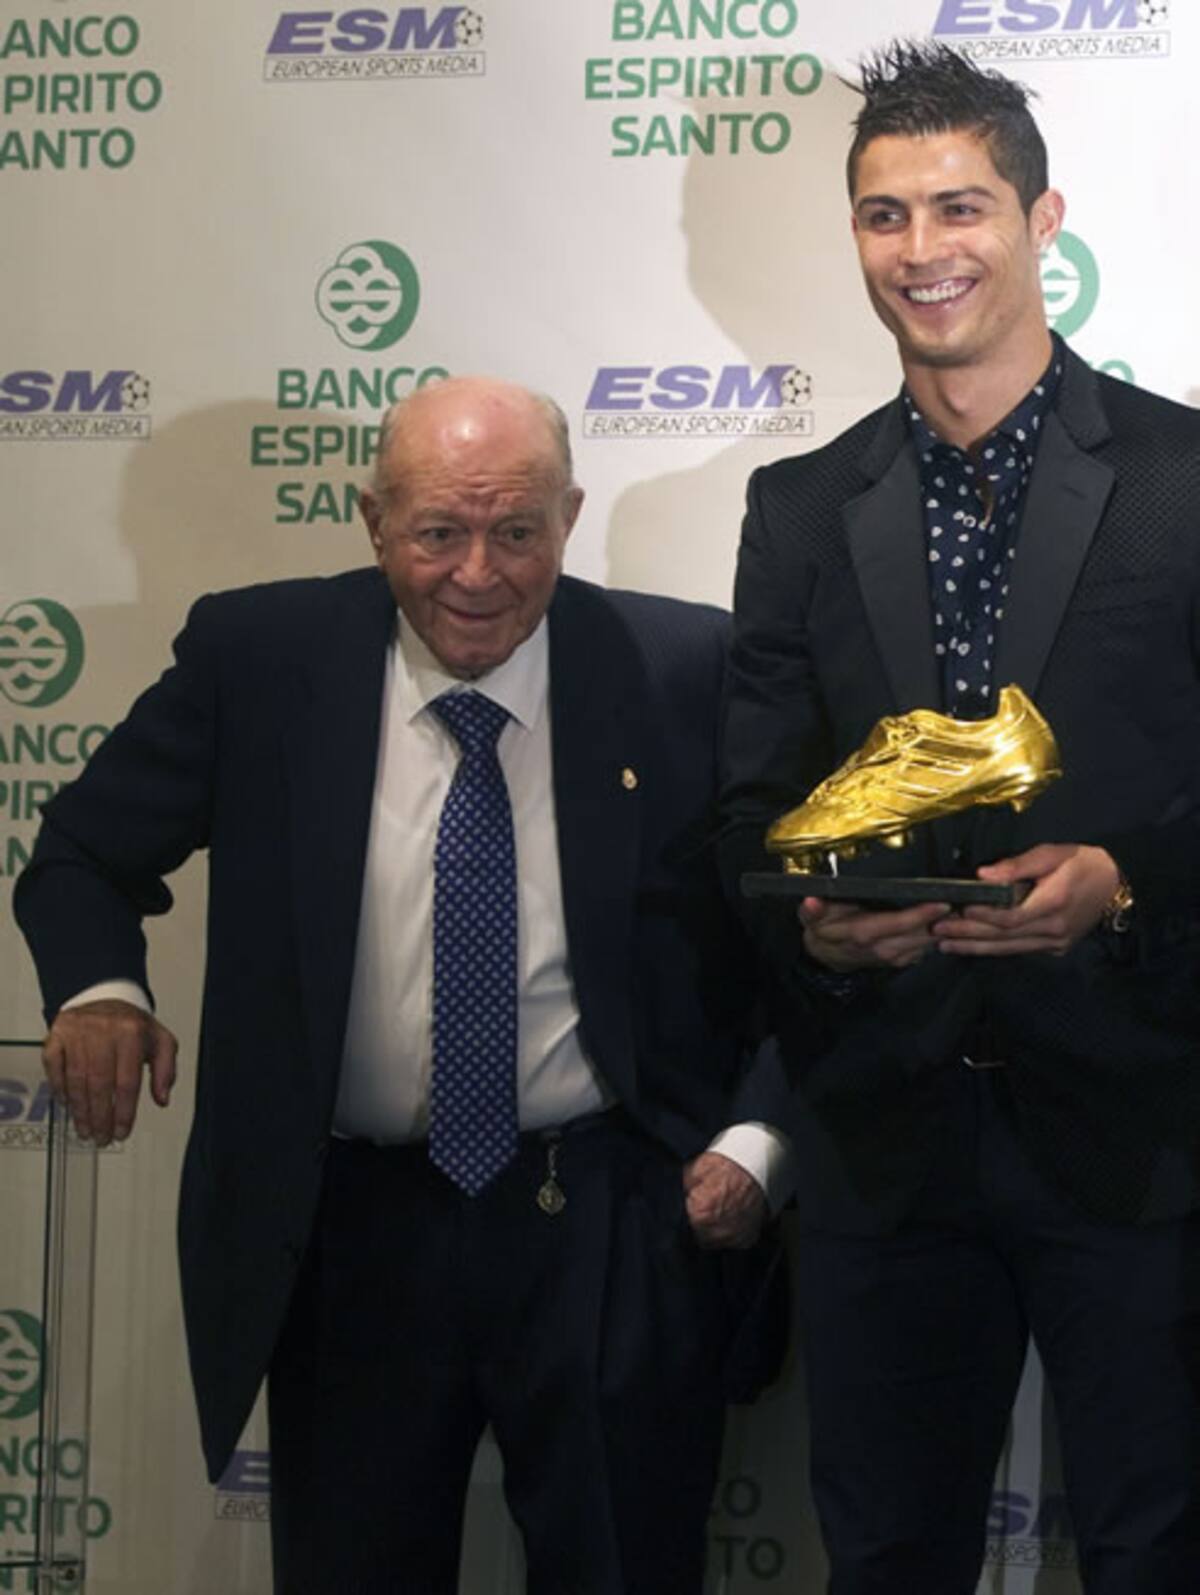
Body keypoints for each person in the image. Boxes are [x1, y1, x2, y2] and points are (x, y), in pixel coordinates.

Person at [15, 376, 792, 1595]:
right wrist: (102, 988)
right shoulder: (259, 657)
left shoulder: (683, 664)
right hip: (349, 1231)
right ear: (374, 521)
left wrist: (755, 1138)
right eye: (438, 531)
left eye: (517, 529)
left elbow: (798, 936)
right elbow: (79, 854)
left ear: (569, 517)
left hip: (605, 1215)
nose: (478, 572)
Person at [719, 40, 1200, 1595]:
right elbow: (751, 807)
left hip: (1142, 1126)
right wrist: (815, 925)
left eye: (959, 206)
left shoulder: (1185, 478)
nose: (921, 250)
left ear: (1042, 218)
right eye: (885, 214)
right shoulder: (802, 508)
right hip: (886, 1134)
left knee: (1155, 1549)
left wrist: (1127, 875)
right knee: (887, 1556)